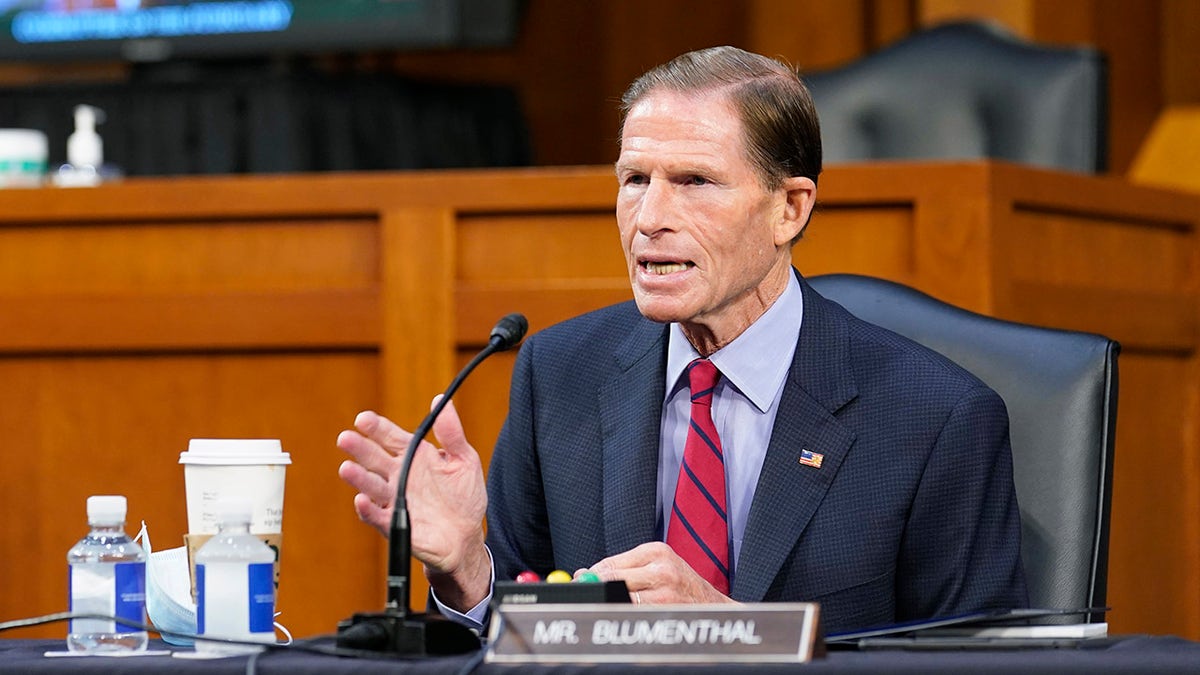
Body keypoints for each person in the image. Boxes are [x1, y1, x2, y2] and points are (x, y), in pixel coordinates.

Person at [337, 46, 1027, 635]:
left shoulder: (935, 417)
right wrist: (466, 570)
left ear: (789, 208)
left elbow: (968, 664)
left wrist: (728, 632)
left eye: (694, 181)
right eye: (635, 180)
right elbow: (522, 638)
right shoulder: (559, 373)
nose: (650, 218)